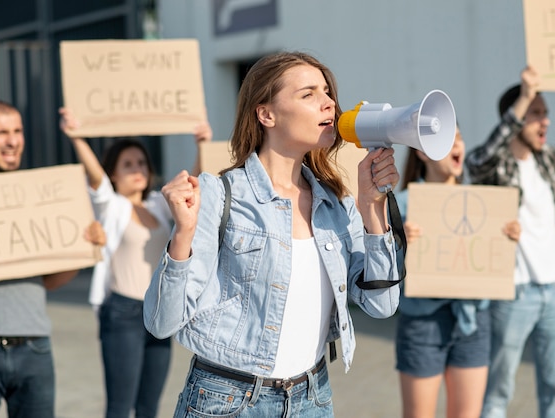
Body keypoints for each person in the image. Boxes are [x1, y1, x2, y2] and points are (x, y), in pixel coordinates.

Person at [143, 51, 402, 417]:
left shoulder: (337, 205)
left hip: (311, 398)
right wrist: (182, 235)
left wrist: (372, 208)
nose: (329, 103)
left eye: (327, 92)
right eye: (308, 94)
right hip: (227, 401)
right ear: (266, 114)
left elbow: (382, 305)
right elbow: (161, 323)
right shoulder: (218, 194)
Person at [465, 66, 555, 418]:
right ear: (514, 118)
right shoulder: (497, 166)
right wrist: (525, 96)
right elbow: (477, 160)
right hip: (514, 293)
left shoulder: (552, 161)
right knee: (498, 394)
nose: (544, 121)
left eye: (545, 113)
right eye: (535, 113)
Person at [59, 108, 213, 418]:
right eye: (127, 165)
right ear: (113, 173)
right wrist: (76, 137)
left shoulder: (158, 204)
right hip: (123, 314)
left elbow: (192, 186)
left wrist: (202, 145)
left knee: (148, 407)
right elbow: (97, 181)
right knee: (119, 405)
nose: (137, 169)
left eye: (141, 162)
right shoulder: (110, 206)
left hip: (157, 314)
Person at [0, 99, 105, 418]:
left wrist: (82, 251)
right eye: (0, 132)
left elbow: (50, 282)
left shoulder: (35, 197)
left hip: (34, 348)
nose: (12, 140)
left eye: (17, 131)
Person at [394, 126, 520, 418]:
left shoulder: (484, 204)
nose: (457, 145)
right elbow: (385, 274)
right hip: (423, 322)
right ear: (421, 152)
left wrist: (506, 239)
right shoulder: (400, 206)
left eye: (460, 137)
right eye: (447, 140)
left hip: (474, 320)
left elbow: (490, 265)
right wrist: (398, 244)